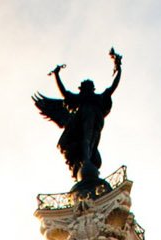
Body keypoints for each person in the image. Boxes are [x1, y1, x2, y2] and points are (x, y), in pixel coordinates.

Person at [34, 49, 124, 196]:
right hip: (82, 124)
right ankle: (86, 160)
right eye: (85, 87)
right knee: (87, 141)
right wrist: (57, 75)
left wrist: (119, 68)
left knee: (90, 142)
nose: (87, 89)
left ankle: (87, 159)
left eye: (88, 87)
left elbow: (113, 86)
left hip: (93, 122)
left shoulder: (94, 100)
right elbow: (64, 93)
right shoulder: (84, 101)